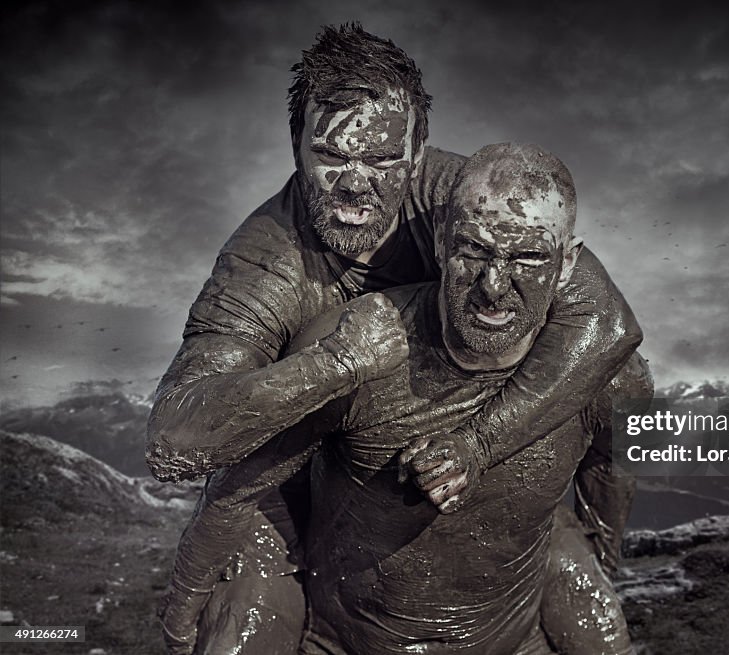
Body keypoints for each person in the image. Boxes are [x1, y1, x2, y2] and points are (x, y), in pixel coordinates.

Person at [147, 24, 642, 653]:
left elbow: (607, 326)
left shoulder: (464, 200)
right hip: (290, 475)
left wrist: (481, 446)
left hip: (461, 444)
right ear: (295, 146)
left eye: (382, 160)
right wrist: (342, 361)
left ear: (418, 154)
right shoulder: (266, 260)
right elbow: (175, 442)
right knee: (247, 607)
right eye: (331, 156)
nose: (356, 185)